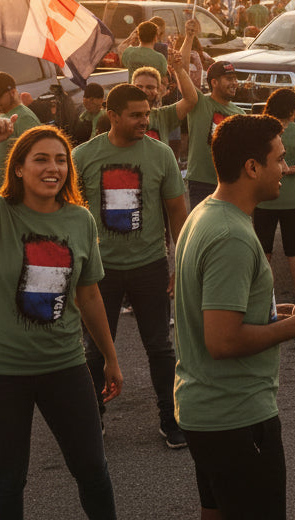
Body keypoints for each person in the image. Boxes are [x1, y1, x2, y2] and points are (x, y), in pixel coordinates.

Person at [0, 121, 122, 519]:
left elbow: (89, 295)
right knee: (9, 478)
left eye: (60, 160)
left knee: (93, 471)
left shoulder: (80, 220)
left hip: (64, 366)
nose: (53, 168)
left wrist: (110, 357)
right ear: (19, 168)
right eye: (40, 159)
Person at [173, 114, 295, 520]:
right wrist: (294, 327)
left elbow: (217, 308)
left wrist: (278, 312)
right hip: (234, 417)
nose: (285, 168)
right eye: (279, 159)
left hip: (206, 411)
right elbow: (222, 340)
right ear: (252, 167)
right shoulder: (233, 237)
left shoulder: (207, 212)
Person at [74, 83, 189, 449]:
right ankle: (93, 419)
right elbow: (67, 212)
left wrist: (180, 262)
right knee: (94, 350)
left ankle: (171, 419)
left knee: (160, 347)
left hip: (150, 267)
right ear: (112, 115)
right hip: (98, 272)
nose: (145, 120)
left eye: (147, 114)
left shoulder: (161, 154)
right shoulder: (83, 156)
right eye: (136, 115)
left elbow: (177, 211)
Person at [253, 88, 295, 296]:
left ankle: (264, 293)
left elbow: (258, 163)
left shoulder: (259, 130)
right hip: (294, 198)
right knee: (294, 248)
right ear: (292, 109)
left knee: (264, 248)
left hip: (264, 198)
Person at [185, 60, 246, 207]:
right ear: (214, 82)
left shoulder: (240, 113)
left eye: (235, 79)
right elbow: (183, 73)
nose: (234, 83)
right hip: (201, 182)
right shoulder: (198, 102)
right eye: (229, 79)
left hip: (230, 183)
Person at [0, 71, 43, 192]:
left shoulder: (24, 118)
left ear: (13, 92)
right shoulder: (3, 115)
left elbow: (37, 160)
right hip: (1, 194)